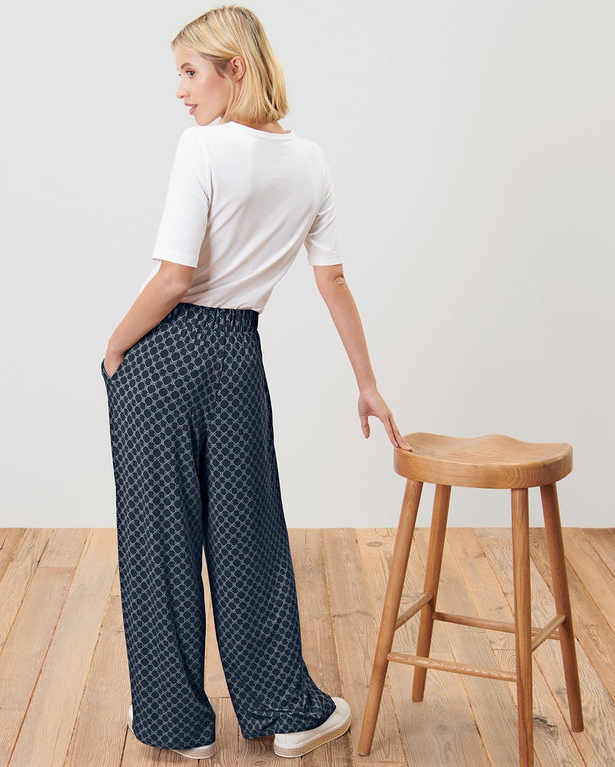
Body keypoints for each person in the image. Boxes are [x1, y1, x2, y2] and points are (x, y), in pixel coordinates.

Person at [101, 5, 413, 760]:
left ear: (234, 68)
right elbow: (331, 277)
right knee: (250, 539)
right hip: (238, 354)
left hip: (163, 354)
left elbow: (175, 275)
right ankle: (287, 711)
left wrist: (113, 347)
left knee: (159, 544)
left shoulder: (202, 148)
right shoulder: (311, 161)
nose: (180, 90)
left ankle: (180, 730)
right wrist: (366, 382)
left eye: (189, 71)